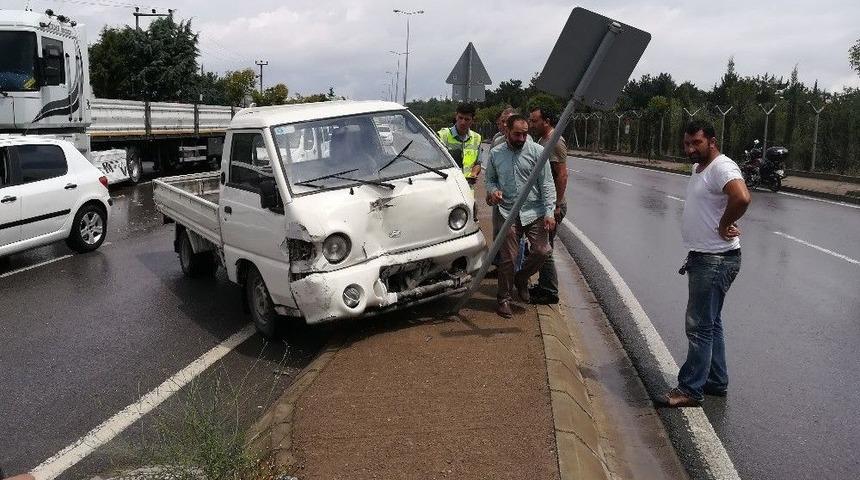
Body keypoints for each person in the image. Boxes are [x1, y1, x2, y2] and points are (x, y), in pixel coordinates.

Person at [663, 120, 751, 408]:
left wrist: (724, 224)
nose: (690, 149)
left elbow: (741, 197)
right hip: (706, 257)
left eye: (696, 143)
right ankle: (716, 380)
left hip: (715, 260)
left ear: (712, 141)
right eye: (687, 143)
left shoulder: (722, 167)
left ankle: (690, 389)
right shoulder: (699, 168)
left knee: (699, 326)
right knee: (711, 323)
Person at [485, 114, 556, 318]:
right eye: (517, 134)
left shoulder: (538, 152)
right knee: (509, 257)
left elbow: (547, 183)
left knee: (542, 251)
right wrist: (493, 191)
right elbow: (490, 180)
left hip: (535, 211)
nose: (522, 138)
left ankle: (521, 277)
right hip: (508, 211)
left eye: (525, 134)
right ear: (507, 131)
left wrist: (549, 212)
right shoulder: (496, 153)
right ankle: (504, 299)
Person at [528, 105, 569, 304]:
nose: (531, 124)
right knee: (544, 246)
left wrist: (556, 205)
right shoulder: (542, 140)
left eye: (534, 120)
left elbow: (562, 175)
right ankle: (544, 285)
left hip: (553, 204)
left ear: (547, 121)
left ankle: (550, 292)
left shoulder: (555, 141)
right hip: (546, 202)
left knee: (545, 247)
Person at [438, 103, 482, 185]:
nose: (462, 122)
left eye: (467, 119)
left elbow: (478, 163)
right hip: (448, 185)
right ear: (456, 116)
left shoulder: (477, 138)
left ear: (472, 120)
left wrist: (474, 173)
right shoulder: (442, 136)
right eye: (460, 118)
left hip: (467, 187)